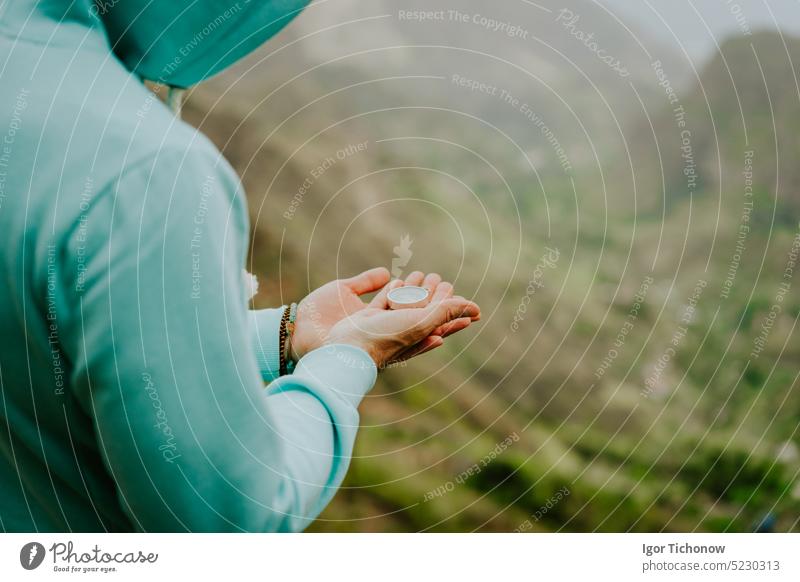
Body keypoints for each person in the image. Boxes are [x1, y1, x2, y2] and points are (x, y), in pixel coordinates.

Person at [0, 0, 480, 532]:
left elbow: (33, 337)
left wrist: (285, 335)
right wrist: (350, 357)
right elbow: (228, 516)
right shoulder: (149, 178)